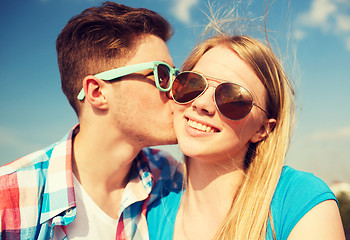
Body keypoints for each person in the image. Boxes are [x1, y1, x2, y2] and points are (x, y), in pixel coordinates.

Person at [0, 2, 182, 239]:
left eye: (176, 76)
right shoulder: (10, 197)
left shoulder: (169, 175)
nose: (176, 90)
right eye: (162, 75)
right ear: (97, 93)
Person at [147, 34, 346, 239]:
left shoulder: (298, 201)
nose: (201, 104)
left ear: (262, 129)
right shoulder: (153, 209)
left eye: (233, 98)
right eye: (192, 84)